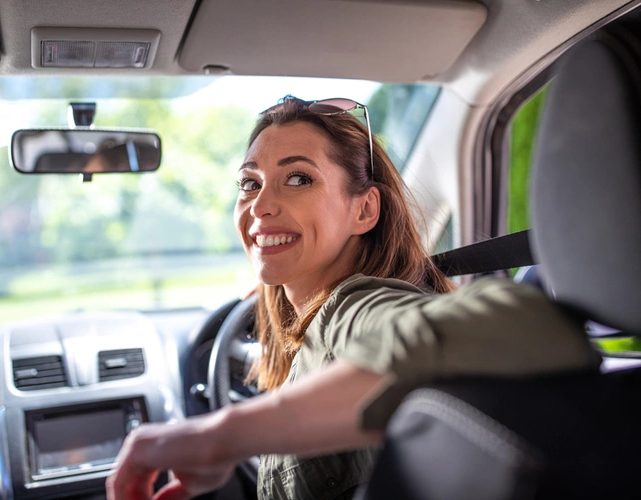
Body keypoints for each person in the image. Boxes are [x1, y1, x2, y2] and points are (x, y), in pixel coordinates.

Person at [106, 96, 600, 500]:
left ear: (365, 210)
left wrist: (221, 435)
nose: (260, 204)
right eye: (248, 183)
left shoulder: (353, 307)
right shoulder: (312, 312)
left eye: (298, 178)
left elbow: (516, 325)